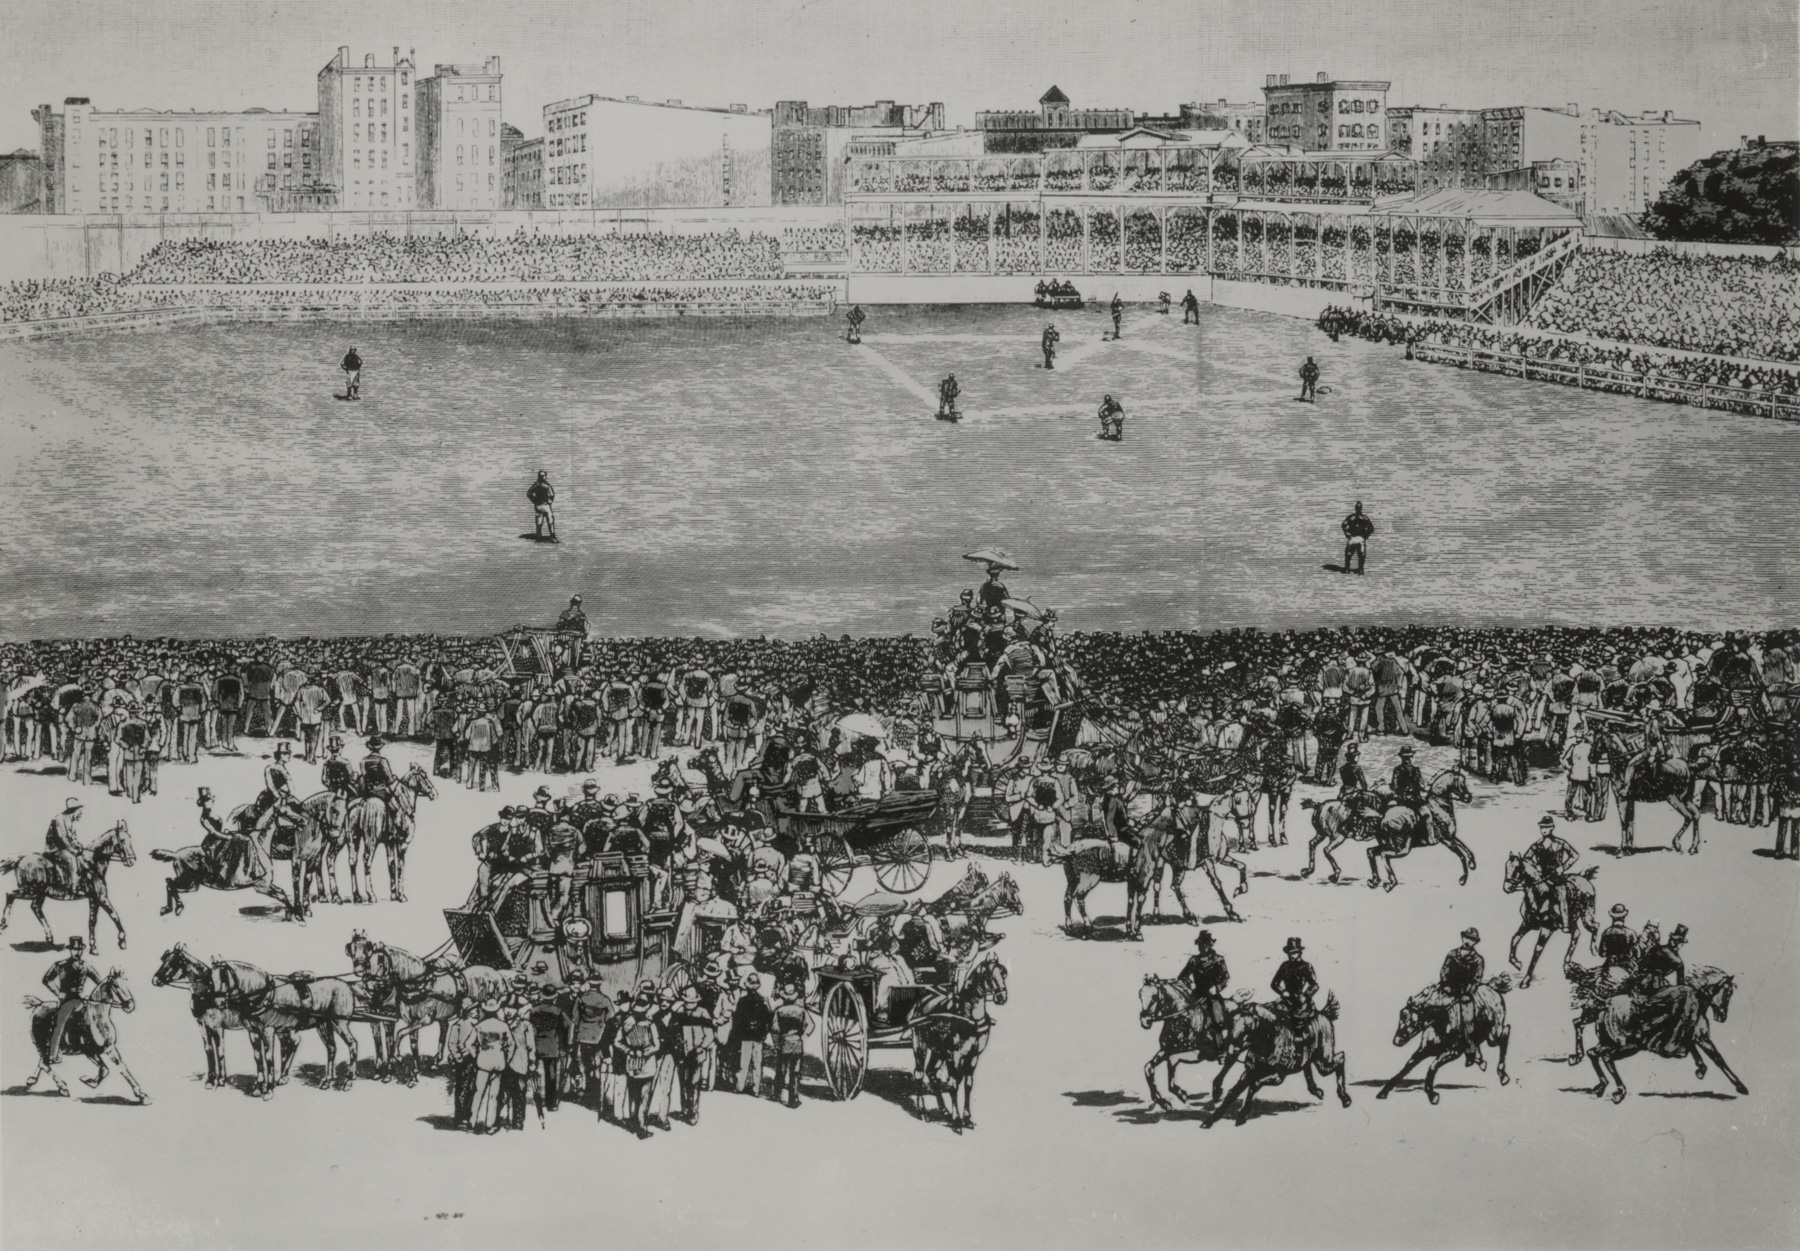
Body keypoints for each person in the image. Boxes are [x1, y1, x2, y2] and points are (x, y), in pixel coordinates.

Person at [42, 936, 103, 1066]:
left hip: (81, 999)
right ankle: (53, 1055)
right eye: (75, 949)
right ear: (70, 950)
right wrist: (58, 992)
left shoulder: (86, 966)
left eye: (80, 949)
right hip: (66, 1000)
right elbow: (46, 979)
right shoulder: (61, 965)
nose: (78, 952)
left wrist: (91, 996)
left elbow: (100, 983)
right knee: (60, 1024)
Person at [1173, 930, 1231, 1040]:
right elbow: (1182, 976)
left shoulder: (1218, 960)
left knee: (1217, 1016)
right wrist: (1190, 983)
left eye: (1205, 944)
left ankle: (1220, 1046)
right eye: (1200, 944)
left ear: (1209, 945)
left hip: (1212, 995)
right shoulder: (1194, 960)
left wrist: (1217, 988)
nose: (1202, 947)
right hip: (1196, 994)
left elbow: (1225, 978)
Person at [1525, 814, 1580, 929]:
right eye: (1542, 827)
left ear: (1552, 828)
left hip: (1556, 877)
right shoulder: (1537, 845)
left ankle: (1565, 923)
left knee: (1561, 897)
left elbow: (1575, 855)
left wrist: (1563, 867)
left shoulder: (1560, 843)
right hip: (1541, 878)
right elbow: (1526, 858)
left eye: (1546, 827)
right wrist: (1536, 866)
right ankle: (1533, 920)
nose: (1543, 830)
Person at [469, 999, 514, 1134]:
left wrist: (476, 1055)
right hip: (498, 1062)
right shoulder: (503, 1026)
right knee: (494, 1095)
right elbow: (511, 1045)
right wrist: (507, 1058)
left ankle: (472, 1122)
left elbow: (468, 1044)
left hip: (483, 1062)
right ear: (497, 1010)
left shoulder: (479, 1026)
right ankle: (489, 1124)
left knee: (478, 1093)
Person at [730, 970, 772, 1096]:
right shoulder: (762, 1000)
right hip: (757, 1036)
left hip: (747, 1036)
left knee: (745, 1063)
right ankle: (755, 1089)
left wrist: (736, 1034)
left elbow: (737, 1019)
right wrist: (764, 1032)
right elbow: (768, 1019)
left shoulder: (743, 1001)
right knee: (756, 1063)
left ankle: (741, 1087)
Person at [770, 979, 811, 1107]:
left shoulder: (779, 1011)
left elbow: (775, 1030)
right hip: (797, 1044)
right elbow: (810, 1026)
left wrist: (776, 1044)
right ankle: (793, 1100)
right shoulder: (801, 1011)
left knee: (781, 1070)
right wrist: (803, 1037)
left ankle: (777, 1094)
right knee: (795, 1072)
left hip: (784, 1043)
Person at [1270, 937, 1318, 1024]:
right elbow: (1274, 984)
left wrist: (1305, 996)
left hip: (1300, 1001)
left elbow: (1314, 985)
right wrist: (1282, 991)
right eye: (1289, 953)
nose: (1291, 955)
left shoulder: (1306, 966)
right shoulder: (1285, 966)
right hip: (1286, 999)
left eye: (1294, 953)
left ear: (1300, 953)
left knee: (1298, 1022)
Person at [45, 797, 86, 895]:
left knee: (82, 858)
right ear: (73, 810)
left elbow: (73, 839)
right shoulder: (59, 818)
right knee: (72, 859)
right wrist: (73, 850)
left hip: (65, 848)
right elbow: (62, 839)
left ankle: (81, 883)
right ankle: (74, 889)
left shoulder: (71, 822)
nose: (80, 813)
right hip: (54, 849)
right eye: (78, 811)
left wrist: (79, 847)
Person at [1561, 726, 1596, 819]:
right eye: (1577, 731)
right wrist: (1569, 768)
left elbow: (1592, 761)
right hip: (1576, 774)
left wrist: (1593, 775)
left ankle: (1587, 813)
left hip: (1584, 774)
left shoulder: (1589, 746)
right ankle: (1570, 813)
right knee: (1571, 794)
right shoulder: (1574, 746)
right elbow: (1564, 759)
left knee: (1588, 795)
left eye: (1581, 731)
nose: (1579, 734)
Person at [1341, 502, 1374, 574]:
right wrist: (1366, 536)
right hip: (1360, 538)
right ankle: (1360, 569)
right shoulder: (1364, 518)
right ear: (1361, 508)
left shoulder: (1351, 517)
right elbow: (1371, 528)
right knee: (1361, 554)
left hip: (1353, 537)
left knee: (1349, 554)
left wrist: (1347, 533)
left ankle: (1347, 569)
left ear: (1355, 508)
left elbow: (1343, 525)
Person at [528, 471, 557, 543]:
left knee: (539, 521)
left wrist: (534, 500)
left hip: (538, 505)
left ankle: (539, 535)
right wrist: (550, 501)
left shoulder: (535, 485)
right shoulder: (547, 486)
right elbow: (552, 495)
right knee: (550, 520)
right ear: (544, 477)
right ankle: (552, 536)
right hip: (546, 505)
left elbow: (529, 493)